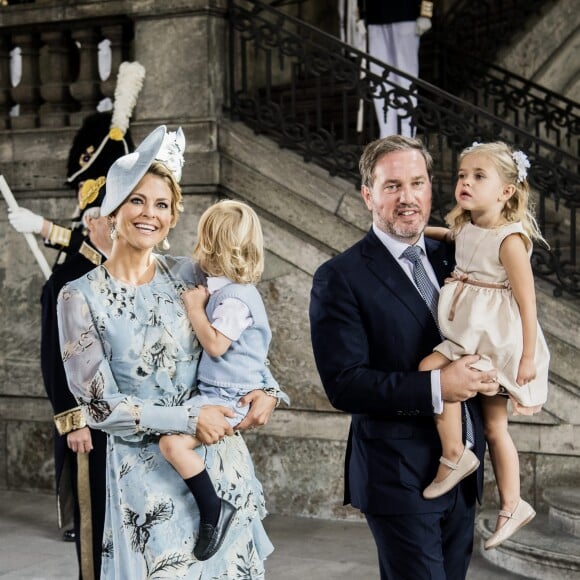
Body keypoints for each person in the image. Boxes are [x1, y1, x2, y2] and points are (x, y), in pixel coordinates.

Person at [57, 125, 282, 578]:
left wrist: (269, 388)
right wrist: (187, 419)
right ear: (113, 209)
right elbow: (100, 406)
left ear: (174, 215)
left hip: (221, 464)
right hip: (148, 484)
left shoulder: (188, 273)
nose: (149, 214)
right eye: (137, 200)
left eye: (162, 204)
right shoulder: (80, 296)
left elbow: (242, 334)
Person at [309, 135, 499, 580]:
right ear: (368, 194)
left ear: (432, 188)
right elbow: (345, 384)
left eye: (417, 183)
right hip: (399, 476)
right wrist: (439, 386)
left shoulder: (453, 255)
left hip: (465, 472)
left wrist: (491, 375)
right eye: (392, 185)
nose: (408, 197)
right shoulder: (340, 277)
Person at [419, 141, 549, 550]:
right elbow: (452, 235)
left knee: (432, 372)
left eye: (478, 177)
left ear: (506, 192)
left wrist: (527, 357)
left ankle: (458, 457)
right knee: (493, 426)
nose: (465, 183)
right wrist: (413, 231)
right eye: (462, 175)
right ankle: (511, 502)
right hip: (467, 335)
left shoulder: (510, 240)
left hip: (492, 341)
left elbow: (528, 303)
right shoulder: (469, 225)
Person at [159, 199, 287, 561]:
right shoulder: (216, 285)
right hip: (215, 391)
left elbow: (216, 346)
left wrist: (195, 309)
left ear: (211, 247)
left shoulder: (235, 299)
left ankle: (214, 510)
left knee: (174, 445)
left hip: (225, 396)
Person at [8, 61, 144, 270]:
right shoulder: (94, 197)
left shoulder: (108, 200)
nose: (81, 188)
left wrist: (42, 226)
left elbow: (92, 249)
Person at [41, 192, 111, 579]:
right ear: (91, 223)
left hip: (126, 418)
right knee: (94, 519)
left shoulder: (122, 271)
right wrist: (74, 421)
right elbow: (54, 358)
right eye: (109, 215)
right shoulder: (66, 279)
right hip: (87, 424)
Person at [357, 1, 433, 137]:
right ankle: (386, 135)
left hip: (405, 13)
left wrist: (426, 12)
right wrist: (361, 14)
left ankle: (407, 135)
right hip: (375, 15)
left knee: (406, 79)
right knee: (379, 79)